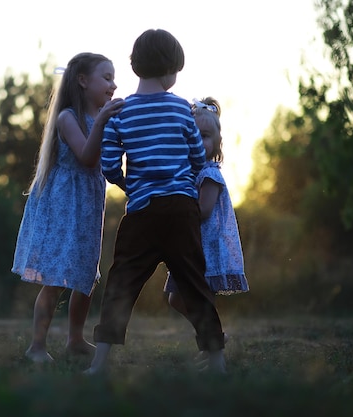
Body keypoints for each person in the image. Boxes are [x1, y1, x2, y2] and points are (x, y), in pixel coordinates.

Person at [84, 29, 226, 375]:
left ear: (136, 67)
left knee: (122, 283)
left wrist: (130, 185)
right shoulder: (181, 108)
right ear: (168, 70)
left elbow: (108, 165)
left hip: (142, 213)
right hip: (180, 210)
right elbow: (197, 158)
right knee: (194, 283)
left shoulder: (120, 112)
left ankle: (99, 364)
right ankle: (218, 363)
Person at [11, 52, 124, 363]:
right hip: (64, 207)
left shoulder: (103, 118)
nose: (113, 85)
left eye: (114, 78)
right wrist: (103, 120)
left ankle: (75, 339)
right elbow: (87, 157)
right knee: (57, 276)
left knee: (86, 275)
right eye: (107, 77)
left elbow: (108, 159)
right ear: (83, 80)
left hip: (88, 206)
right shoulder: (68, 118)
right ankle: (36, 347)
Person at [164, 98, 249, 365]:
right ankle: (212, 337)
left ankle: (214, 351)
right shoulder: (187, 173)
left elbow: (204, 211)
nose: (199, 141)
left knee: (200, 302)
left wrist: (176, 209)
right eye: (193, 135)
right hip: (188, 248)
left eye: (206, 136)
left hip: (206, 252)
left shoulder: (209, 175)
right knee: (175, 299)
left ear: (216, 144)